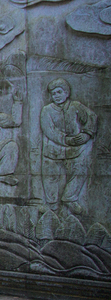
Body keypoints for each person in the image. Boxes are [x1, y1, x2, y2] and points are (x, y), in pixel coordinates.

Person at [40, 79, 97, 214]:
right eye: (53, 94)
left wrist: (87, 134)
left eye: (59, 92)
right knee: (49, 175)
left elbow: (91, 117)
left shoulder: (76, 106)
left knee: (81, 169)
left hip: (74, 149)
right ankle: (52, 204)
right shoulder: (46, 110)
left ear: (66, 93)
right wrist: (66, 140)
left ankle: (70, 197)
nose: (56, 96)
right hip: (53, 150)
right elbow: (49, 130)